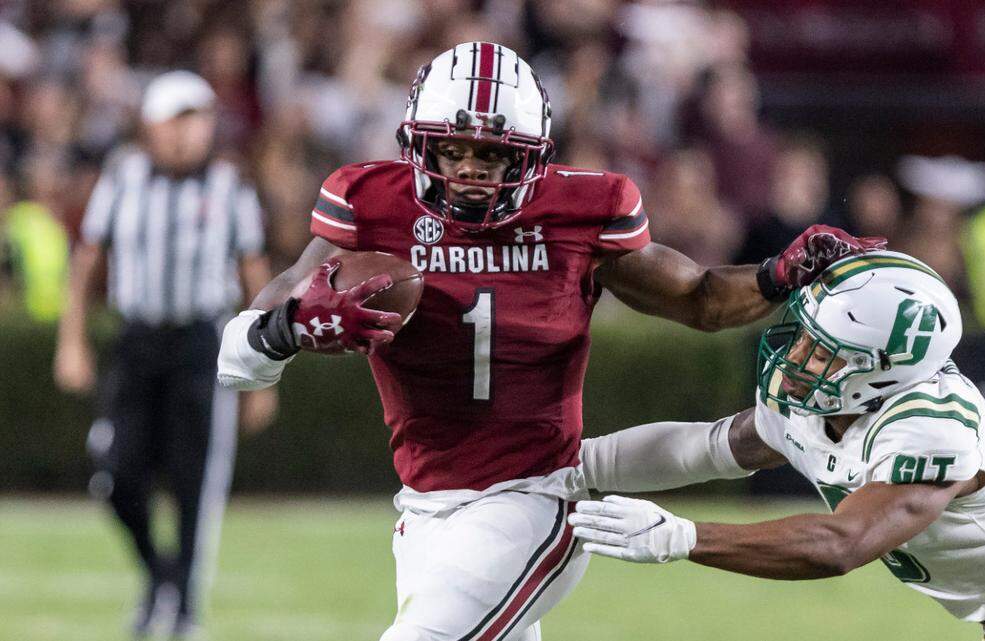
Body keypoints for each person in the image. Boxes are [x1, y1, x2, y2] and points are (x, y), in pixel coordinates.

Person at [216, 41, 884, 641]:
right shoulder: (369, 203)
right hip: (423, 508)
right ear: (419, 145)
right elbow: (238, 355)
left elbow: (700, 298)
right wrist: (287, 328)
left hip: (535, 499)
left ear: (533, 156)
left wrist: (780, 273)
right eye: (454, 149)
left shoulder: (582, 212)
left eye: (494, 154)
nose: (472, 170)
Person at [569, 249, 985, 641]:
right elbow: (709, 447)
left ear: (883, 371)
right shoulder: (820, 404)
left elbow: (842, 542)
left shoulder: (932, 424)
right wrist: (572, 464)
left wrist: (683, 537)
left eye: (823, 352)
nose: (797, 359)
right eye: (805, 337)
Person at [53, 70, 277, 638]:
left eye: (196, 119)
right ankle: (162, 577)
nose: (185, 134)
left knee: (193, 482)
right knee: (115, 476)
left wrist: (266, 373)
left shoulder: (230, 187)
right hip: (137, 342)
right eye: (175, 120)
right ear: (150, 127)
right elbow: (86, 264)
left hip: (202, 347)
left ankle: (183, 612)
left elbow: (257, 277)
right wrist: (72, 339)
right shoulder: (122, 180)